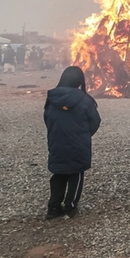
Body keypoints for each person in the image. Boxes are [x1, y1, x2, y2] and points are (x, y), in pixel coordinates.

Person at [44, 66, 101, 219]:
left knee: (58, 174)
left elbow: (47, 118)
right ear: (79, 81)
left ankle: (53, 207)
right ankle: (70, 207)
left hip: (57, 141)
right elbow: (95, 120)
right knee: (76, 174)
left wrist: (55, 132)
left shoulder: (52, 97)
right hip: (78, 143)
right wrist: (85, 134)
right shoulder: (84, 99)